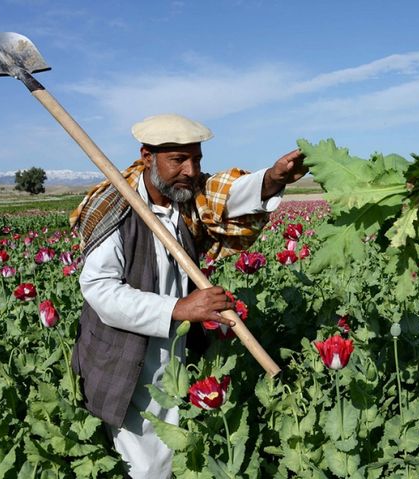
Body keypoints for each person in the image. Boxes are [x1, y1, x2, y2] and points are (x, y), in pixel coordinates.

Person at [70, 114, 307, 477]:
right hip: (124, 354)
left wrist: (273, 179)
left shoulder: (186, 200)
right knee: (146, 460)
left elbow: (228, 196)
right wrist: (179, 307)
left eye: (195, 158)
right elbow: (101, 291)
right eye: (178, 159)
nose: (190, 169)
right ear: (147, 156)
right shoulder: (116, 208)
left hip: (177, 350)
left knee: (179, 441)